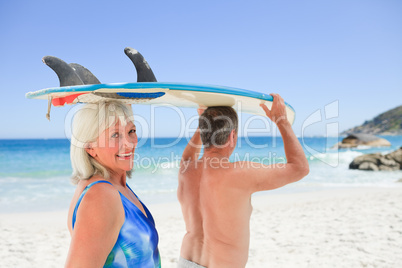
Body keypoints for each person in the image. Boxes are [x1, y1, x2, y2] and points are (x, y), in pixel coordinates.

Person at [177, 94, 309, 268]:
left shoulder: (186, 170)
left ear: (204, 134)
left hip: (186, 263)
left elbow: (188, 155)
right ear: (232, 136)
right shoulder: (240, 173)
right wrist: (281, 121)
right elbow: (300, 168)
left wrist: (203, 124)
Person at [65, 101, 161, 268]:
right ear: (90, 147)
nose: (129, 144)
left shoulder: (115, 186)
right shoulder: (101, 195)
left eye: (131, 131)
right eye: (115, 135)